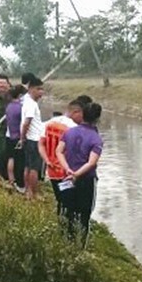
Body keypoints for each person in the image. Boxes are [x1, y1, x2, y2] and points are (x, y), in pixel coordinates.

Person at [59, 101, 103, 241]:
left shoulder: (69, 132)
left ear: (82, 115)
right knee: (85, 213)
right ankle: (80, 245)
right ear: (97, 119)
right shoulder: (96, 139)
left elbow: (59, 151)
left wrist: (68, 170)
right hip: (86, 180)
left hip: (67, 177)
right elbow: (91, 163)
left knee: (69, 210)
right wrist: (76, 174)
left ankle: (67, 240)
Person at [41, 98, 80, 221]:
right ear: (76, 112)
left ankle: (60, 224)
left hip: (52, 171)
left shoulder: (49, 123)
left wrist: (46, 160)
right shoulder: (73, 128)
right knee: (69, 202)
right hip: (66, 172)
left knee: (59, 199)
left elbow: (40, 144)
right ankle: (68, 231)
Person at [19, 77, 46, 198]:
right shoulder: (31, 104)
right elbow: (26, 122)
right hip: (34, 140)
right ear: (30, 89)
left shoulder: (27, 101)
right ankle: (32, 192)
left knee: (28, 166)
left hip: (30, 139)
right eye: (38, 89)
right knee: (35, 168)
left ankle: (27, 191)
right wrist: (22, 137)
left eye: (42, 89)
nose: (41, 92)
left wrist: (23, 138)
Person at [4, 85, 27, 191]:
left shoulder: (9, 106)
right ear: (20, 95)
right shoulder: (20, 108)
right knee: (20, 161)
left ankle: (11, 179)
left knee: (11, 158)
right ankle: (20, 184)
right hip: (18, 137)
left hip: (9, 136)